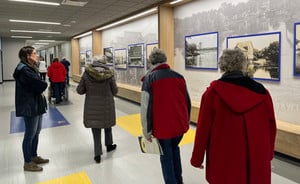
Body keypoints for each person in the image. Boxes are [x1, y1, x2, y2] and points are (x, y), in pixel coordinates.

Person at [190, 48, 277, 184]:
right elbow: (271, 126)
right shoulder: (262, 93)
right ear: (243, 65)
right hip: (257, 156)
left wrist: (197, 159)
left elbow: (203, 130)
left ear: (222, 66)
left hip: (225, 158)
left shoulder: (212, 94)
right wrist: (268, 154)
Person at [140, 48, 191, 184]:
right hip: (179, 126)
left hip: (162, 128)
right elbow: (187, 102)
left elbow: (145, 107)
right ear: (164, 60)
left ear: (151, 61)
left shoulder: (149, 79)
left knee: (166, 156)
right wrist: (186, 122)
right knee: (175, 151)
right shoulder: (178, 77)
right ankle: (179, 181)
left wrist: (146, 131)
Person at [13, 46, 49, 172]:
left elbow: (38, 84)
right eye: (34, 53)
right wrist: (43, 84)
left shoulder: (30, 67)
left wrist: (41, 84)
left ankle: (34, 156)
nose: (37, 55)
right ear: (28, 56)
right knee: (30, 134)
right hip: (29, 106)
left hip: (36, 104)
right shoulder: (24, 70)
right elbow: (40, 85)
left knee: (36, 131)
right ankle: (27, 162)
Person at [76, 55, 118, 164]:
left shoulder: (86, 73)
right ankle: (109, 145)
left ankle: (97, 154)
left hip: (92, 105)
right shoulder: (109, 74)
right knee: (107, 125)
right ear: (104, 63)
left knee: (96, 129)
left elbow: (80, 90)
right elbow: (115, 91)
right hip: (107, 105)